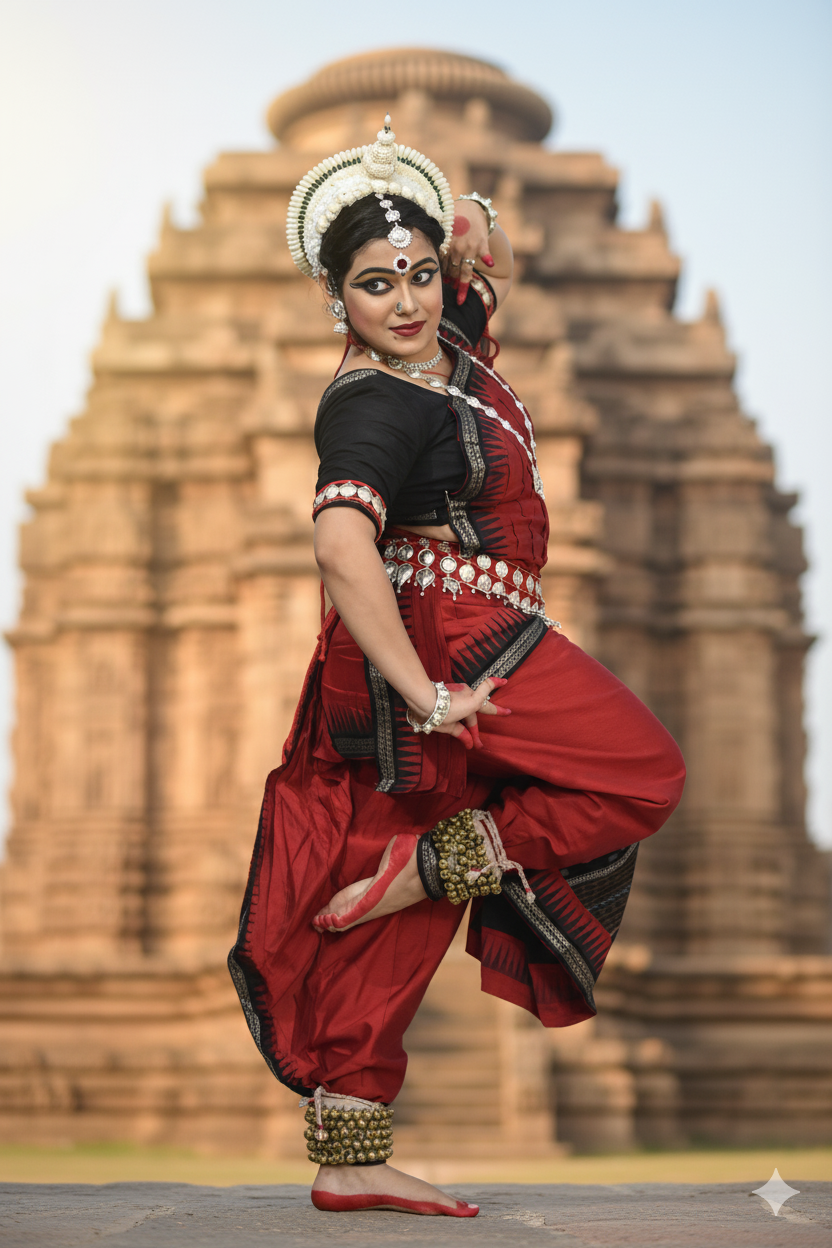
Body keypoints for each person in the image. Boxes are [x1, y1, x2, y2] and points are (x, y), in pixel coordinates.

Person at [229, 116, 685, 1217]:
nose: (407, 301)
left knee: (387, 901)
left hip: (451, 639)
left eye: (421, 274)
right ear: (336, 298)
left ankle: (349, 1151)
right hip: (459, 638)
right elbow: (340, 542)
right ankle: (437, 862)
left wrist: (459, 216)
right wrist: (426, 692)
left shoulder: (446, 352)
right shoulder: (376, 399)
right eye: (374, 284)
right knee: (642, 771)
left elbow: (490, 259)